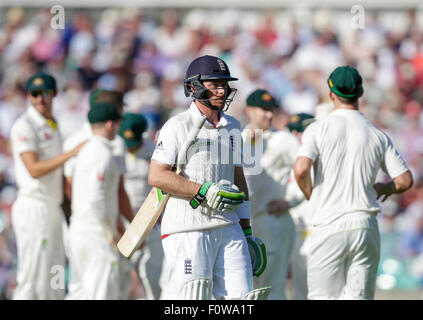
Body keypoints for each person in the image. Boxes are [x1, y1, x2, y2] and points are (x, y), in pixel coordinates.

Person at [148, 55, 267, 300]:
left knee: (242, 300)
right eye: (215, 84)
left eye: (224, 84)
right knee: (191, 299)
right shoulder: (176, 125)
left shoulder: (233, 125)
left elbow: (238, 177)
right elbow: (157, 176)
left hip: (229, 226)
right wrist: (203, 189)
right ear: (194, 87)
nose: (222, 90)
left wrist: (246, 230)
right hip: (188, 228)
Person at [293, 66, 414, 300]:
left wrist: (312, 195)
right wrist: (385, 188)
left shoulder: (318, 129)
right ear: (360, 93)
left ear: (331, 94)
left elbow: (300, 169)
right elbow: (405, 180)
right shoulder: (377, 134)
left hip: (328, 224)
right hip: (365, 225)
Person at [10, 72, 86, 299]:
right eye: (35, 94)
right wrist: (71, 154)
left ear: (53, 95)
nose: (40, 99)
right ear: (29, 96)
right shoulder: (24, 125)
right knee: (32, 276)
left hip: (52, 208)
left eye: (45, 94)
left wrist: (69, 212)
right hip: (34, 207)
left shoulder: (52, 125)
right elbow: (33, 169)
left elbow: (56, 176)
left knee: (54, 274)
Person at [242, 89, 303, 299]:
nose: (269, 115)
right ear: (249, 110)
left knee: (272, 287)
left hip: (273, 220)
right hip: (245, 225)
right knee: (248, 288)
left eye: (272, 110)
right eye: (264, 110)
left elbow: (307, 171)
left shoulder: (284, 139)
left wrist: (290, 201)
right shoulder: (238, 140)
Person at [65, 102, 123, 299]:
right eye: (117, 123)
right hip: (95, 233)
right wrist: (110, 232)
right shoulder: (102, 154)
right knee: (100, 291)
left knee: (79, 291)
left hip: (79, 229)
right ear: (109, 125)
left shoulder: (86, 150)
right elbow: (95, 199)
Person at [118, 112, 164, 300]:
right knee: (119, 277)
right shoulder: (115, 148)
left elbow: (162, 182)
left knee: (153, 275)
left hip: (149, 218)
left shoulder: (153, 150)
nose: (131, 147)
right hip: (123, 218)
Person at [284, 113, 315, 300]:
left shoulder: (313, 160)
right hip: (291, 229)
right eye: (292, 131)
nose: (295, 135)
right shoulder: (288, 159)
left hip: (311, 230)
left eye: (300, 131)